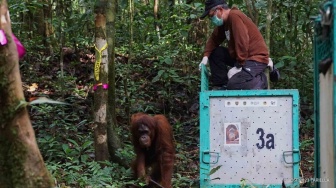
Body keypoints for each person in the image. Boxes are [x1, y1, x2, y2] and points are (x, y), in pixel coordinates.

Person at [199, 0, 270, 90]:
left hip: (255, 58)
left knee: (234, 85)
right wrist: (205, 56)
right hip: (241, 58)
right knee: (216, 52)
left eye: (211, 15)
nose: (211, 19)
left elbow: (242, 41)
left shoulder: (234, 16)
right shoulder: (224, 23)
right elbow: (214, 39)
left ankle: (261, 79)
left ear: (219, 10)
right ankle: (221, 85)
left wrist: (239, 66)